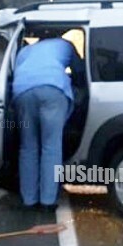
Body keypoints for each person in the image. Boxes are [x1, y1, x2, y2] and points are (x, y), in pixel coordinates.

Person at [12, 30, 84, 210]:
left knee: (28, 147)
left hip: (22, 92)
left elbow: (14, 72)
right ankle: (47, 201)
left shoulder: (25, 51)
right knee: (51, 146)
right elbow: (81, 72)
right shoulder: (65, 45)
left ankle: (29, 200)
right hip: (53, 89)